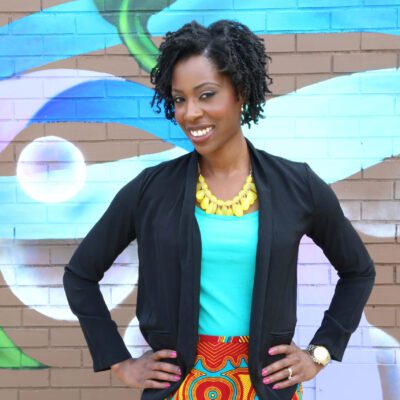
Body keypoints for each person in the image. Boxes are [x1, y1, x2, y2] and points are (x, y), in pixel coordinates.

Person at [63, 19, 376, 400]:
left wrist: (320, 351)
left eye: (206, 94)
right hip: (181, 390)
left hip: (266, 390)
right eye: (180, 99)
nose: (190, 113)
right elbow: (80, 274)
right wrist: (118, 360)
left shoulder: (297, 185)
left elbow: (358, 270)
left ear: (240, 92)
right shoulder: (150, 189)